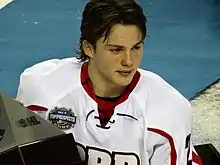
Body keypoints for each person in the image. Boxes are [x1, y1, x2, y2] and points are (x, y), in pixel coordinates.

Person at [16, 0, 202, 164]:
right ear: (89, 48)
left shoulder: (168, 109)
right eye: (116, 50)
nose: (128, 61)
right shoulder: (41, 88)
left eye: (136, 47)